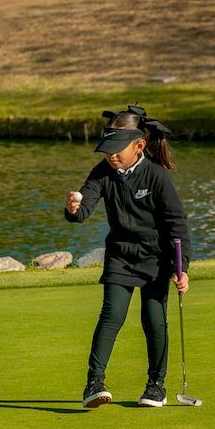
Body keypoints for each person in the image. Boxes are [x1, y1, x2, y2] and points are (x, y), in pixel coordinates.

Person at [64, 104, 191, 409]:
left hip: (156, 257)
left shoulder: (156, 175)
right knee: (112, 315)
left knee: (154, 320)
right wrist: (73, 210)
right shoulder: (103, 172)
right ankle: (94, 383)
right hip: (120, 254)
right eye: (107, 149)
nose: (111, 155)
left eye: (117, 149)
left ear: (139, 145)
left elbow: (177, 224)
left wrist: (182, 266)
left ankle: (156, 385)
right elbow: (84, 207)